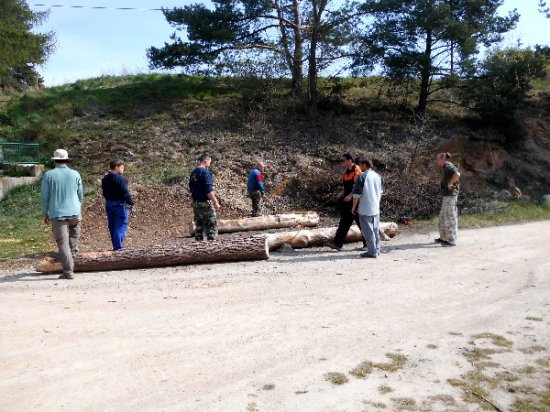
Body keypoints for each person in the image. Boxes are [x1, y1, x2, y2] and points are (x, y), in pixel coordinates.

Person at [41, 149, 84, 279]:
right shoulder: (75, 174)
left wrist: (45, 213)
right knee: (73, 241)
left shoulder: (49, 175)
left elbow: (45, 197)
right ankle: (72, 261)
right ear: (66, 159)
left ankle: (68, 271)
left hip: (57, 214)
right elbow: (80, 194)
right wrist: (78, 207)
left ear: (54, 160)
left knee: (63, 243)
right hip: (75, 213)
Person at [329, 152, 366, 251]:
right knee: (344, 222)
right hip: (347, 202)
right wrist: (337, 197)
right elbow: (345, 189)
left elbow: (358, 187)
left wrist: (350, 196)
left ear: (350, 161)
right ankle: (337, 244)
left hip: (357, 201)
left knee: (361, 222)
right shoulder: (345, 173)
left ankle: (368, 244)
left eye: (344, 160)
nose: (343, 162)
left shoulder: (357, 170)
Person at [352, 158, 384, 258]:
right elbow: (381, 192)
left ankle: (372, 251)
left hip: (365, 207)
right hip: (375, 207)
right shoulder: (378, 176)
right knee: (375, 229)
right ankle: (376, 249)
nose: (360, 167)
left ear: (365, 165)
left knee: (367, 231)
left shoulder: (362, 176)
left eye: (361, 165)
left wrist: (353, 207)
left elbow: (356, 194)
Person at [101, 159, 134, 251]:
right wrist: (131, 203)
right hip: (119, 204)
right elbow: (125, 192)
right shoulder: (120, 179)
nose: (123, 169)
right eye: (122, 167)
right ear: (116, 167)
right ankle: (119, 248)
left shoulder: (105, 179)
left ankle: (116, 246)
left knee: (112, 226)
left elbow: (104, 192)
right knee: (120, 226)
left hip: (109, 203)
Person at [189, 154, 221, 241]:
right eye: (209, 163)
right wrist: (216, 202)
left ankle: (199, 247)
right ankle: (211, 246)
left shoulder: (193, 173)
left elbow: (191, 189)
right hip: (205, 202)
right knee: (211, 225)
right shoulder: (205, 172)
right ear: (206, 161)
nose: (209, 165)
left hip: (196, 203)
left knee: (199, 226)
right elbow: (209, 190)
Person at [435, 152, 460, 247]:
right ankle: (443, 237)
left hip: (451, 195)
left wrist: (450, 183)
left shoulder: (449, 167)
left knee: (450, 217)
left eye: (438, 159)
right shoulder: (445, 167)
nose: (436, 161)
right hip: (446, 195)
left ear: (443, 159)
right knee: (442, 216)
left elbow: (457, 174)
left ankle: (451, 240)